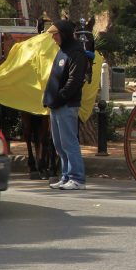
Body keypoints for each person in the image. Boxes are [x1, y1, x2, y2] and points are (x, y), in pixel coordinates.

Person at [44, 20, 88, 190]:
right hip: (56, 105)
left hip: (67, 105)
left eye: (55, 34)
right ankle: (66, 176)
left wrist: (60, 97)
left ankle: (77, 179)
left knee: (69, 143)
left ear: (64, 34)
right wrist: (49, 98)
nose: (53, 37)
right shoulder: (62, 51)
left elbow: (74, 81)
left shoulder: (76, 52)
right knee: (59, 145)